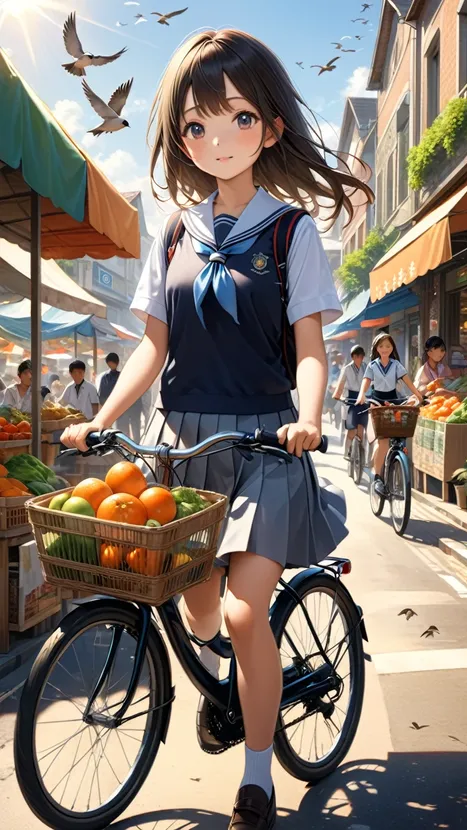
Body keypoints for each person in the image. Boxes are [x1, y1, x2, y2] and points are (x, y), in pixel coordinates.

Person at [61, 28, 373, 829]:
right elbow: (152, 346)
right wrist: (97, 420)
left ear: (269, 127)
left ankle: (258, 776)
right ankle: (238, 684)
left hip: (267, 446)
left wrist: (307, 418)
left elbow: (311, 346)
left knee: (240, 612)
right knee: (195, 605)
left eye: (236, 119)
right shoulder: (172, 229)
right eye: (196, 126)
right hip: (185, 446)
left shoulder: (291, 232)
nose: (215, 140)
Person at [356, 333, 423, 496]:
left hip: (393, 400)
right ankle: (378, 477)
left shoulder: (396, 365)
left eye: (388, 346)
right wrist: (361, 394)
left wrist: (419, 395)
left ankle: (396, 462)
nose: (385, 349)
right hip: (377, 401)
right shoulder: (372, 365)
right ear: (376, 349)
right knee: (383, 441)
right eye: (381, 346)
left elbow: (408, 382)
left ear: (392, 347)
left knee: (401, 429)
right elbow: (366, 382)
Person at [333, 345, 368, 453]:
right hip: (350, 398)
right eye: (357, 356)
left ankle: (360, 453)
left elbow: (371, 381)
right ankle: (347, 451)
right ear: (353, 357)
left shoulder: (366, 367)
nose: (360, 359)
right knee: (352, 429)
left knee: (361, 429)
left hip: (363, 398)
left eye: (361, 356)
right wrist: (339, 395)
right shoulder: (347, 369)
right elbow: (341, 384)